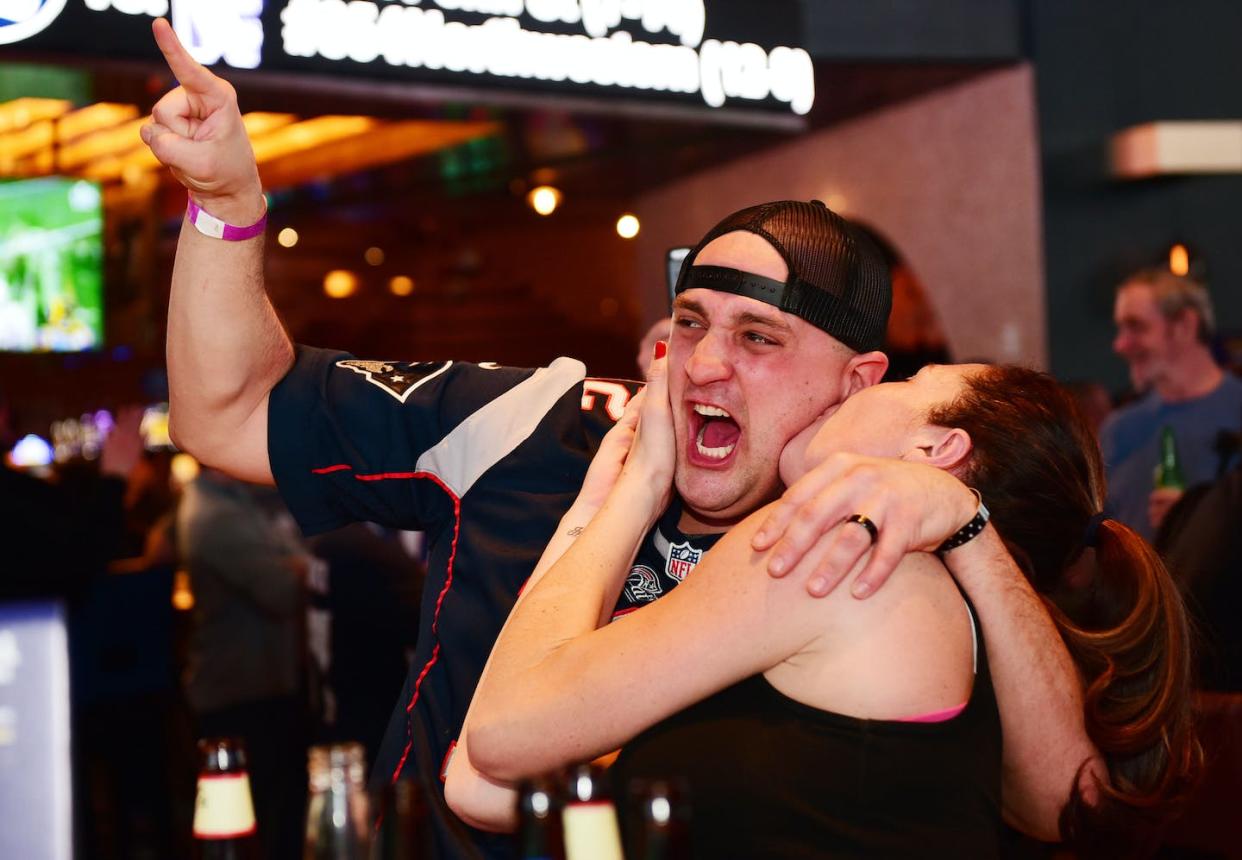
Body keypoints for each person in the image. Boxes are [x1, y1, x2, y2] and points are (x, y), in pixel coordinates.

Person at [141, 19, 1097, 857]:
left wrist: (964, 522)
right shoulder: (536, 420)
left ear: (859, 385)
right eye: (689, 323)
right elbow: (226, 412)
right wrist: (227, 211)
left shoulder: (872, 539)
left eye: (758, 337)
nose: (703, 365)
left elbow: (1057, 800)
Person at [462, 361, 1200, 857]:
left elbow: (500, 733)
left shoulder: (840, 552)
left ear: (937, 446)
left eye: (908, 379)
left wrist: (631, 490)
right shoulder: (938, 598)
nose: (850, 396)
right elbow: (487, 785)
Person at [178, 468, 311, 859]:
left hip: (247, 683)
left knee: (266, 819)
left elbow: (296, 560)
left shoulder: (230, 500)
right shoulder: (217, 515)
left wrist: (295, 563)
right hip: (240, 690)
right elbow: (284, 590)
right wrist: (298, 565)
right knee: (252, 830)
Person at [1102, 268, 1242, 540]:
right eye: (1121, 328)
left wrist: (1195, 519)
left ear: (1184, 326)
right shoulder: (1118, 429)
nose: (1120, 344)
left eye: (1136, 326)